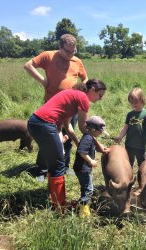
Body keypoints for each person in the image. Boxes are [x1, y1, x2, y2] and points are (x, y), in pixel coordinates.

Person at [27, 79, 107, 211]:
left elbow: (68, 126)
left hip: (35, 122)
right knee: (59, 165)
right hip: (45, 124)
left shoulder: (73, 94)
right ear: (92, 90)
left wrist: (78, 143)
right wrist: (98, 145)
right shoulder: (83, 98)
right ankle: (61, 207)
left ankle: (54, 200)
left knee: (54, 163)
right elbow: (83, 128)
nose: (100, 99)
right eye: (100, 95)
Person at [24, 33, 88, 178]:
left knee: (67, 137)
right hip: (52, 107)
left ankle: (63, 166)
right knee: (48, 139)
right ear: (59, 47)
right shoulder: (48, 56)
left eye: (74, 51)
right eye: (68, 51)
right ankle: (42, 169)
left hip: (71, 107)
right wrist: (42, 81)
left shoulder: (77, 61)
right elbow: (28, 65)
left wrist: (81, 90)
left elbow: (85, 78)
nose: (71, 54)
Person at [114, 87, 146, 167]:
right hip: (129, 145)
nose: (134, 105)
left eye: (136, 102)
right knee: (128, 164)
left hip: (140, 146)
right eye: (131, 103)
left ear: (142, 100)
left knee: (142, 165)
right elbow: (125, 128)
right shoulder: (130, 114)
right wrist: (120, 137)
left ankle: (141, 178)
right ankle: (129, 178)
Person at [73, 116, 108, 218]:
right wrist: (91, 160)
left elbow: (92, 148)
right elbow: (82, 151)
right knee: (89, 190)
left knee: (86, 187)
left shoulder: (90, 136)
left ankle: (81, 203)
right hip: (83, 168)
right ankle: (83, 212)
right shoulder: (88, 138)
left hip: (83, 168)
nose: (101, 133)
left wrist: (102, 148)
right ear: (93, 129)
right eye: (100, 131)